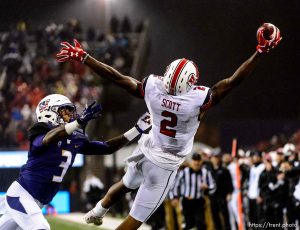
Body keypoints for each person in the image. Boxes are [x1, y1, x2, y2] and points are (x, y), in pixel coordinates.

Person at [56, 23, 282, 230]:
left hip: (146, 147)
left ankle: (97, 211)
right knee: (135, 219)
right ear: (191, 83)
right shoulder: (198, 101)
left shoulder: (154, 87)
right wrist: (260, 52)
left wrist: (86, 58)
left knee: (125, 183)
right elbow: (234, 81)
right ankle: (98, 212)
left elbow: (117, 77)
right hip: (164, 164)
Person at [0, 94, 151, 230]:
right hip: (21, 194)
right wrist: (78, 122)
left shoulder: (74, 139)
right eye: (65, 111)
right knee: (40, 227)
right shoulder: (41, 132)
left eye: (70, 111)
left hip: (38, 201)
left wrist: (137, 129)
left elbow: (107, 147)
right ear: (49, 113)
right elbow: (48, 139)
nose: (70, 115)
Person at [171, 152, 216, 230]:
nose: (196, 163)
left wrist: (207, 188)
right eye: (195, 161)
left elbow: (213, 186)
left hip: (199, 201)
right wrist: (175, 197)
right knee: (188, 224)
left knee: (200, 223)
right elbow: (176, 185)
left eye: (198, 161)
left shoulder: (205, 172)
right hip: (186, 201)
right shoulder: (185, 172)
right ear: (192, 161)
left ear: (201, 162)